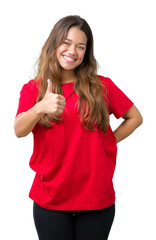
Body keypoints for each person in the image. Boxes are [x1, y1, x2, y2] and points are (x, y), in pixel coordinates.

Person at [14, 15, 143, 240]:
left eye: (80, 46)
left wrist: (107, 140)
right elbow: (19, 130)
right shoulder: (34, 89)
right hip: (50, 198)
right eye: (66, 42)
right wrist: (40, 108)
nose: (72, 51)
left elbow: (135, 118)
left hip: (96, 197)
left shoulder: (102, 86)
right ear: (54, 44)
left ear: (86, 53)